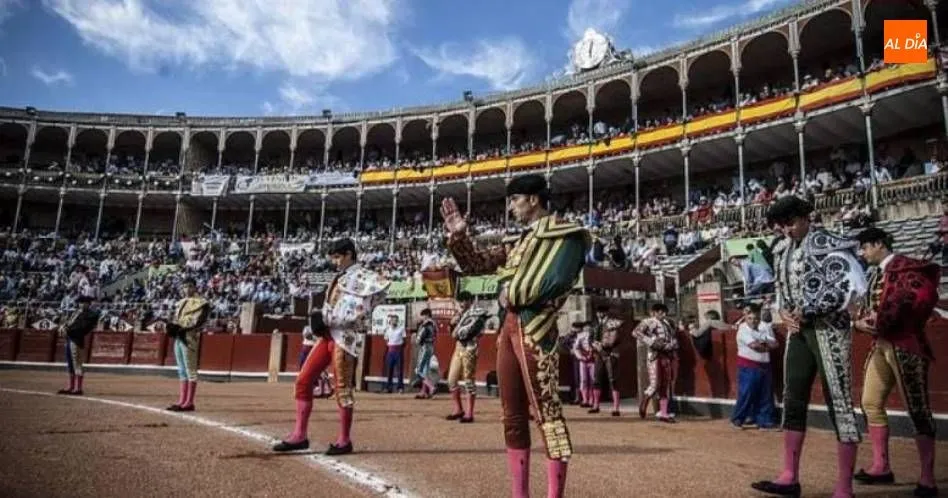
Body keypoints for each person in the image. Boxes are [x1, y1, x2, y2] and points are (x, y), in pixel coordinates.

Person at [441, 174, 590, 498]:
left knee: (547, 412)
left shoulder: (567, 234)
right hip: (510, 328)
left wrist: (513, 294)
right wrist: (459, 237)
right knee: (512, 415)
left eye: (514, 200)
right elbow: (477, 265)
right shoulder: (518, 241)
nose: (511, 208)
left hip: (536, 327)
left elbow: (558, 281)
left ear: (533, 199)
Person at [751, 196, 867, 498]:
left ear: (806, 217)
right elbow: (781, 289)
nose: (787, 230)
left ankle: (844, 487)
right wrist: (783, 313)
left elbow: (854, 285)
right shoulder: (783, 250)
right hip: (798, 332)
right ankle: (789, 476)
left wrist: (812, 307)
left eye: (790, 223)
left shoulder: (830, 243)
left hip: (828, 329)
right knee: (793, 397)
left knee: (838, 400)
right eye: (782, 226)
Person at [273, 238, 389, 456]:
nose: (334, 262)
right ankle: (299, 435)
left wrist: (325, 318)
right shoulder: (340, 277)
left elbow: (358, 314)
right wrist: (319, 321)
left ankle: (344, 440)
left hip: (345, 338)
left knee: (343, 388)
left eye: (337, 257)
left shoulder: (365, 278)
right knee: (303, 380)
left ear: (349, 254)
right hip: (328, 336)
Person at [854, 227, 939, 498]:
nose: (862, 252)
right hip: (881, 344)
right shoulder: (877, 275)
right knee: (870, 402)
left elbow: (920, 300)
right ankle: (881, 467)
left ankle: (927, 479)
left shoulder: (906, 268)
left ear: (879, 244)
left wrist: (878, 322)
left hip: (906, 345)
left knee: (917, 410)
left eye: (865, 247)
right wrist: (864, 320)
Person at [730, 304, 778, 430]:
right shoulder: (742, 329)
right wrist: (767, 346)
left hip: (764, 364)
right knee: (746, 393)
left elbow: (775, 344)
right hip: (748, 365)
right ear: (745, 317)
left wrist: (766, 345)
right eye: (750, 318)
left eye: (755, 317)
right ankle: (738, 419)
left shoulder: (765, 327)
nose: (753, 320)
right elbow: (755, 346)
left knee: (765, 394)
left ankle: (765, 421)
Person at [167, 278, 210, 412]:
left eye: (189, 286)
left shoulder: (202, 303)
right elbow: (176, 319)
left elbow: (199, 322)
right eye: (184, 287)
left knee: (190, 370)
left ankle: (189, 402)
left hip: (189, 338)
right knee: (181, 370)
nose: (186, 289)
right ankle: (182, 400)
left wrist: (182, 328)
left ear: (195, 287)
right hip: (179, 338)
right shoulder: (179, 303)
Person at [631, 303, 679, 423]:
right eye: (660, 312)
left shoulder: (668, 323)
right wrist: (652, 342)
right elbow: (635, 333)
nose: (663, 314)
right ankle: (644, 404)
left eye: (664, 312)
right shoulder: (649, 322)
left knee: (665, 384)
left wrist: (673, 344)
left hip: (667, 355)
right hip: (655, 355)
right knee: (655, 384)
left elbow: (673, 337)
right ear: (654, 312)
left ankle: (663, 413)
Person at [445, 304, 488, 423]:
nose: (462, 304)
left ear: (469, 302)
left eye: (465, 301)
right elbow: (452, 334)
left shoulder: (477, 314)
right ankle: (458, 409)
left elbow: (480, 333)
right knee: (451, 380)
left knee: (469, 380)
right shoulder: (458, 315)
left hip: (470, 348)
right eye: (461, 302)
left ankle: (469, 413)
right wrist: (452, 323)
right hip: (458, 348)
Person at [56, 296, 99, 396]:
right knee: (70, 364)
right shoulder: (76, 313)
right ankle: (71, 386)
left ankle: (78, 388)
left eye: (83, 302)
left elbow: (82, 328)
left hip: (77, 340)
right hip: (70, 339)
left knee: (77, 364)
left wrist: (68, 330)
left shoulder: (90, 315)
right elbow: (70, 323)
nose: (80, 304)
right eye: (80, 303)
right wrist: (64, 327)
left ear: (88, 304)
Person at [591, 305, 624, 416]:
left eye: (602, 312)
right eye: (598, 312)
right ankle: (595, 405)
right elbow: (591, 339)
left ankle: (616, 408)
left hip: (610, 353)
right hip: (599, 354)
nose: (600, 314)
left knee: (613, 380)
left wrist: (601, 345)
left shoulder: (613, 323)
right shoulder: (596, 325)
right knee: (597, 379)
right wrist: (595, 345)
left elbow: (613, 340)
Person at [413, 309, 437, 399]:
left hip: (425, 347)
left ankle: (431, 387)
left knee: (418, 370)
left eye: (422, 315)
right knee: (425, 371)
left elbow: (420, 337)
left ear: (426, 315)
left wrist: (417, 340)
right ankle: (423, 392)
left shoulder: (426, 324)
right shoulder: (434, 324)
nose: (421, 317)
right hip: (431, 347)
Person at [571, 322, 596, 409]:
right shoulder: (580, 336)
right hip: (583, 360)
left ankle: (592, 400)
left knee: (593, 380)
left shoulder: (595, 336)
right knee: (584, 380)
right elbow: (576, 348)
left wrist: (592, 354)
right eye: (586, 329)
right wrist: (581, 357)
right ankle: (585, 400)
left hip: (593, 360)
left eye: (589, 329)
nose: (588, 330)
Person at [383, 314, 406, 394]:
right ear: (390, 321)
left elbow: (404, 340)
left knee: (399, 370)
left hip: (398, 350)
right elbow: (386, 340)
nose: (395, 321)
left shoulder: (401, 329)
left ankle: (400, 388)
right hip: (390, 351)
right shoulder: (387, 329)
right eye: (393, 320)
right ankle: (389, 387)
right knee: (389, 370)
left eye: (396, 320)